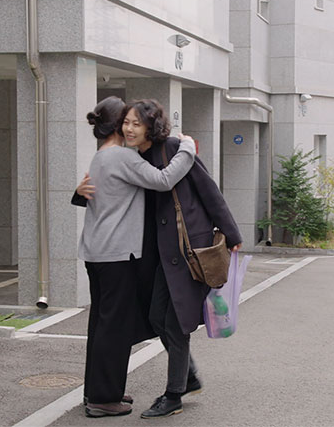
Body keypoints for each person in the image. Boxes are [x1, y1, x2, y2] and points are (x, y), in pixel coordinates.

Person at [118, 99, 243, 419]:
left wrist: (231, 234)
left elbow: (208, 190)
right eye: (126, 123)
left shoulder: (174, 148)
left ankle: (174, 394)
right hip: (163, 256)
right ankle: (188, 377)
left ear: (151, 126)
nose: (129, 129)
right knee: (157, 317)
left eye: (136, 123)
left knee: (174, 322)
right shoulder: (136, 158)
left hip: (190, 252)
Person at [77, 96, 196, 418]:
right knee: (114, 328)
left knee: (101, 324)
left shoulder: (101, 156)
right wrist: (187, 149)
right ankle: (103, 399)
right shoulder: (122, 157)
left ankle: (97, 390)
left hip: (97, 251)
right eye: (127, 121)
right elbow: (164, 180)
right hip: (117, 254)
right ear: (119, 124)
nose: (132, 127)